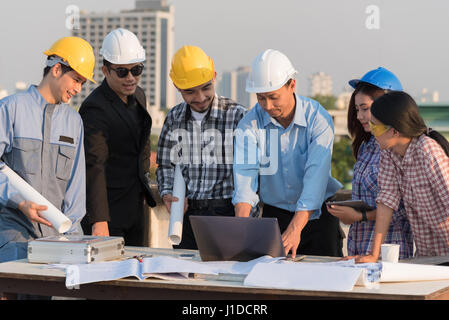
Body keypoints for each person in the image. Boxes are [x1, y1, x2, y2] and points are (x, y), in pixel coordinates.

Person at [0, 37, 95, 298]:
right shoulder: (11, 109)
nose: (78, 88)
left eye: (83, 83)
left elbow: (76, 189)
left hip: (57, 241)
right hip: (13, 236)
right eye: (76, 79)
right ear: (56, 69)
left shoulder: (74, 122)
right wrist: (20, 202)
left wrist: (74, 241)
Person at [233, 49, 344, 259]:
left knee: (324, 284)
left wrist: (295, 229)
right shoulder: (249, 124)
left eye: (273, 97)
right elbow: (245, 177)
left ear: (291, 85)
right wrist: (241, 228)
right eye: (261, 98)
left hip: (319, 217)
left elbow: (316, 178)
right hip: (275, 217)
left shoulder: (318, 119)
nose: (267, 106)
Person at [157, 45, 247, 249]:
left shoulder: (237, 116)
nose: (199, 97)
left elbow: (251, 172)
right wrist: (167, 192)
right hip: (187, 215)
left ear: (214, 76)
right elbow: (165, 164)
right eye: (190, 91)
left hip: (227, 212)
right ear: (177, 86)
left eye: (205, 88)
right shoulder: (174, 117)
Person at [79, 28, 156, 246]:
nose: (131, 78)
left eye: (137, 69)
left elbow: (142, 146)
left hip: (135, 209)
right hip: (108, 213)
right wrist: (99, 220)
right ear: (105, 70)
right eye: (122, 72)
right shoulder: (94, 108)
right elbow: (94, 165)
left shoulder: (139, 96)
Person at [327, 67, 414, 259]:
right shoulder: (366, 147)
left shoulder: (400, 149)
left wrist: (361, 216)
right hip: (360, 247)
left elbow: (404, 209)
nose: (359, 116)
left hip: (390, 249)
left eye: (365, 109)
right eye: (357, 109)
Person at [354, 91, 449, 263]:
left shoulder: (428, 152)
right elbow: (386, 201)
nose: (372, 131)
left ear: (395, 130)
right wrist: (374, 255)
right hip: (426, 255)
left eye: (375, 126)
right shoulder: (389, 153)